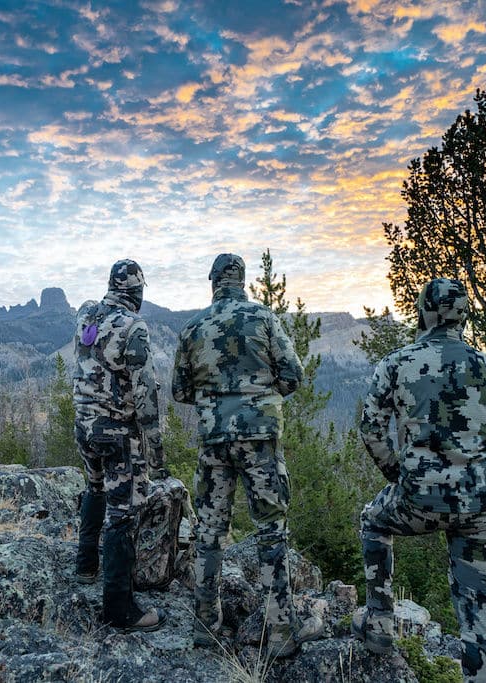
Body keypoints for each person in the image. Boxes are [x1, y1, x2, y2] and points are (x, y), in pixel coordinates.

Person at [353, 278, 486, 682]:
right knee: (480, 611)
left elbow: (371, 431)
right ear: (464, 315)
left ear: (424, 312)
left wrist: (399, 475)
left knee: (373, 521)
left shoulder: (396, 364)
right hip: (482, 506)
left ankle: (379, 621)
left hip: (419, 499)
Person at [172, 253, 323, 657]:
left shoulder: (193, 328)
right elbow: (293, 375)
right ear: (243, 281)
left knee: (209, 529)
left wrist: (216, 398)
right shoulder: (265, 319)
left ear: (213, 282)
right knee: (271, 529)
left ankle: (206, 622)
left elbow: (180, 392)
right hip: (260, 439)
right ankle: (279, 631)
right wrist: (259, 395)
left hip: (214, 440)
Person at [73, 259, 168, 633]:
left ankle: (85, 565)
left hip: (84, 425)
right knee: (123, 513)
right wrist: (157, 453)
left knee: (93, 487)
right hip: (117, 434)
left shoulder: (85, 313)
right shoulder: (134, 328)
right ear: (138, 292)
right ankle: (119, 608)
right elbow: (145, 397)